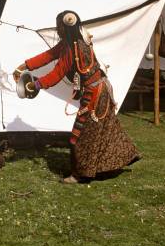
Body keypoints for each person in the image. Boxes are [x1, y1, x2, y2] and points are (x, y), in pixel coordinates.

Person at [14, 10, 140, 184]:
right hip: (99, 90)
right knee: (99, 131)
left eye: (59, 26)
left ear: (65, 27)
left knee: (78, 136)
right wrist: (23, 66)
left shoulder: (74, 48)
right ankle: (102, 167)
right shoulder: (69, 43)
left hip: (95, 95)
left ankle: (79, 174)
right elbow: (49, 56)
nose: (57, 30)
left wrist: (34, 85)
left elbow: (56, 74)